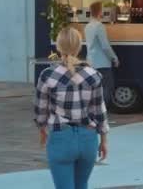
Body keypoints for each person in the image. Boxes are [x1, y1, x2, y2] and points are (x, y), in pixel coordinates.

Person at [35, 27, 109, 189]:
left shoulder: (47, 75)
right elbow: (99, 110)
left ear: (58, 47)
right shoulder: (93, 74)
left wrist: (42, 128)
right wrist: (103, 140)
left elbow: (41, 110)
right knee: (82, 185)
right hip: (88, 138)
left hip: (61, 138)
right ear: (79, 47)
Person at [85, 1, 119, 108]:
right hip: (102, 63)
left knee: (94, 90)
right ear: (99, 12)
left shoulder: (88, 26)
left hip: (91, 62)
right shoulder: (99, 26)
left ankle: (94, 112)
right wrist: (114, 58)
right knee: (107, 88)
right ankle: (101, 113)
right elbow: (105, 46)